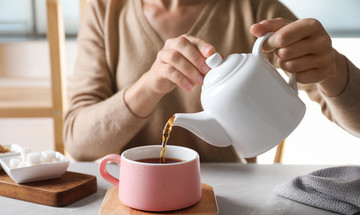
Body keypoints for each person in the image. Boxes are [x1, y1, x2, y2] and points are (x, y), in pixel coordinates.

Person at [64, 0, 360, 162]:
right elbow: (78, 143)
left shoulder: (254, 9)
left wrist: (331, 65)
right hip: (131, 199)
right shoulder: (106, 10)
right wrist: (151, 83)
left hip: (233, 203)